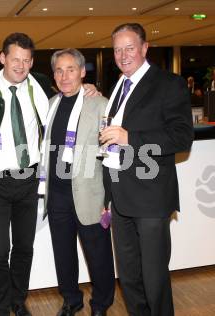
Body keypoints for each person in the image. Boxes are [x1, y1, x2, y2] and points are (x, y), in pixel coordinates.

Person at [0, 32, 98, 316]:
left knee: (24, 247)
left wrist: (91, 89)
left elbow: (71, 88)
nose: (21, 66)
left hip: (29, 180)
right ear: (3, 58)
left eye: (26, 61)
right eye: (15, 59)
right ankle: (1, 307)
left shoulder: (39, 82)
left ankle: (18, 300)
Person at [100, 23, 193, 316]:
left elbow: (181, 136)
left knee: (154, 279)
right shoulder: (118, 85)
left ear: (144, 48)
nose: (123, 54)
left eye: (129, 47)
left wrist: (131, 139)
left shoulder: (168, 83)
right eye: (117, 49)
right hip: (121, 196)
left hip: (151, 198)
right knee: (129, 278)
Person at [39, 48, 115, 316]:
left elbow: (113, 156)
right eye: (59, 70)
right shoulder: (49, 105)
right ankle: (71, 299)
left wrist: (109, 199)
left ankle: (101, 304)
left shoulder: (101, 105)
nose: (65, 75)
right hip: (57, 193)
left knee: (99, 256)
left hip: (90, 195)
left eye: (71, 69)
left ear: (83, 72)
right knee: (64, 254)